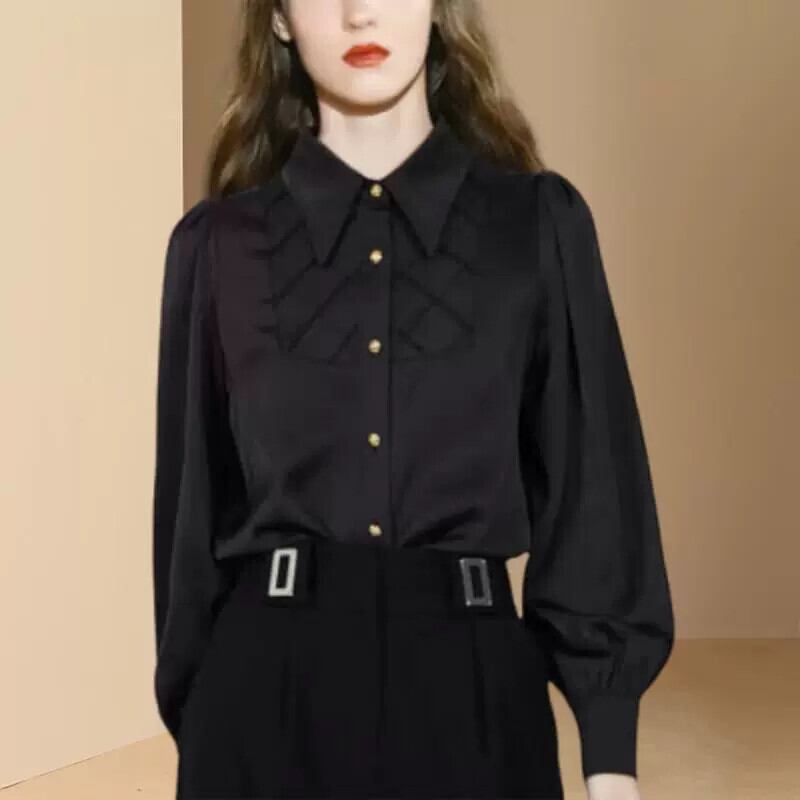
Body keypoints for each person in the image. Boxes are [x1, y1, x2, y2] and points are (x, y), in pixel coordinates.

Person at [151, 1, 675, 798]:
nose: (361, 12)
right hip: (261, 710)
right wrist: (202, 733)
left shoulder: (537, 226)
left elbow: (593, 493)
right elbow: (189, 529)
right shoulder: (217, 247)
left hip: (478, 709)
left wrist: (610, 761)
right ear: (281, 19)